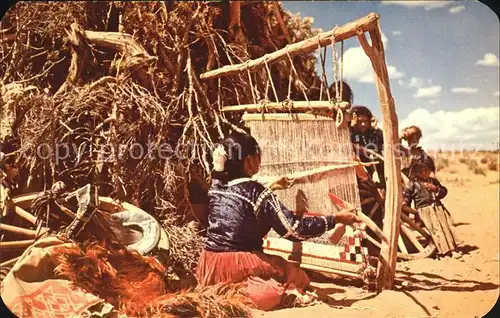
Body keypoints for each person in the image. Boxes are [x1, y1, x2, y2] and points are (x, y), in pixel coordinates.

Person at [196, 131, 362, 311]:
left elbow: (241, 197)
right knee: (297, 278)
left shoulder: (216, 185)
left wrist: (274, 186)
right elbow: (294, 229)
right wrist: (336, 218)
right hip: (242, 263)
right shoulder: (258, 193)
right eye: (258, 156)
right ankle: (238, 293)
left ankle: (221, 290)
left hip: (209, 263)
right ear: (250, 161)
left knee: (273, 279)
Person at [402, 162, 461, 258]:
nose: (428, 172)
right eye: (424, 171)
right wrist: (404, 202)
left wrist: (435, 189)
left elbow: (444, 191)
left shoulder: (433, 181)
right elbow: (407, 195)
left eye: (428, 170)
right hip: (425, 210)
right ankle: (444, 252)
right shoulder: (412, 183)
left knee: (444, 228)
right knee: (436, 230)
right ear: (418, 173)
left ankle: (453, 249)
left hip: (437, 208)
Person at [349, 106, 385, 188]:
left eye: (366, 121)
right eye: (360, 121)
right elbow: (348, 144)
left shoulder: (374, 133)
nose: (363, 124)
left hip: (377, 171)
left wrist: (375, 128)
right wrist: (351, 127)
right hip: (358, 173)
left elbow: (383, 142)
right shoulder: (351, 131)